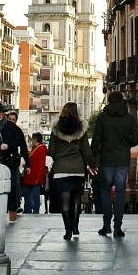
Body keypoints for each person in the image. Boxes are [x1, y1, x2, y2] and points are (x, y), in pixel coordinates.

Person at [90, 90, 138, 238]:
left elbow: (96, 140)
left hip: (106, 160)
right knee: (120, 192)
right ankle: (118, 227)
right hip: (122, 160)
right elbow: (137, 138)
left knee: (105, 191)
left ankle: (106, 225)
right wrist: (126, 143)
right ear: (122, 101)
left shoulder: (102, 118)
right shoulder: (129, 118)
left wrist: (93, 160)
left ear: (109, 101)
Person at [48, 102, 97, 240]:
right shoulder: (81, 128)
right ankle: (75, 227)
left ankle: (68, 230)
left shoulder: (56, 129)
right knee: (76, 198)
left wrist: (59, 157)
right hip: (77, 168)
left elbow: (51, 150)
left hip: (61, 169)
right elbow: (86, 150)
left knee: (65, 201)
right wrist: (93, 165)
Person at [23, 132, 47, 215]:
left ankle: (35, 211)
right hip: (30, 176)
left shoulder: (41, 149)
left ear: (35, 139)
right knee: (27, 194)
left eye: (32, 139)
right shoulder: (34, 148)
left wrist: (38, 177)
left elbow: (41, 164)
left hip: (35, 176)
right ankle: (28, 210)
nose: (31, 141)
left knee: (35, 195)